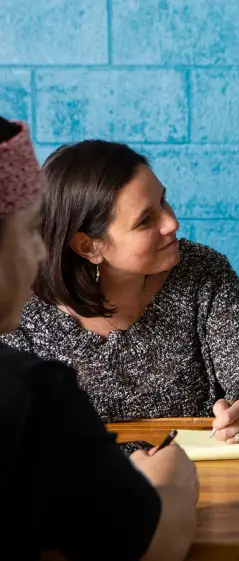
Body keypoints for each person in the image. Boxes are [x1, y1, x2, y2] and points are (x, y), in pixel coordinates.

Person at [0, 139, 239, 443]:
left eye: (164, 201)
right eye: (146, 220)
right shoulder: (18, 304)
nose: (172, 222)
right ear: (88, 246)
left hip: (200, 480)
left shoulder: (201, 270)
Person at [0, 116, 198, 560]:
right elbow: (153, 543)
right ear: (88, 246)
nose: (37, 252)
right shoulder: (35, 394)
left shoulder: (202, 271)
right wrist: (171, 478)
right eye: (28, 232)